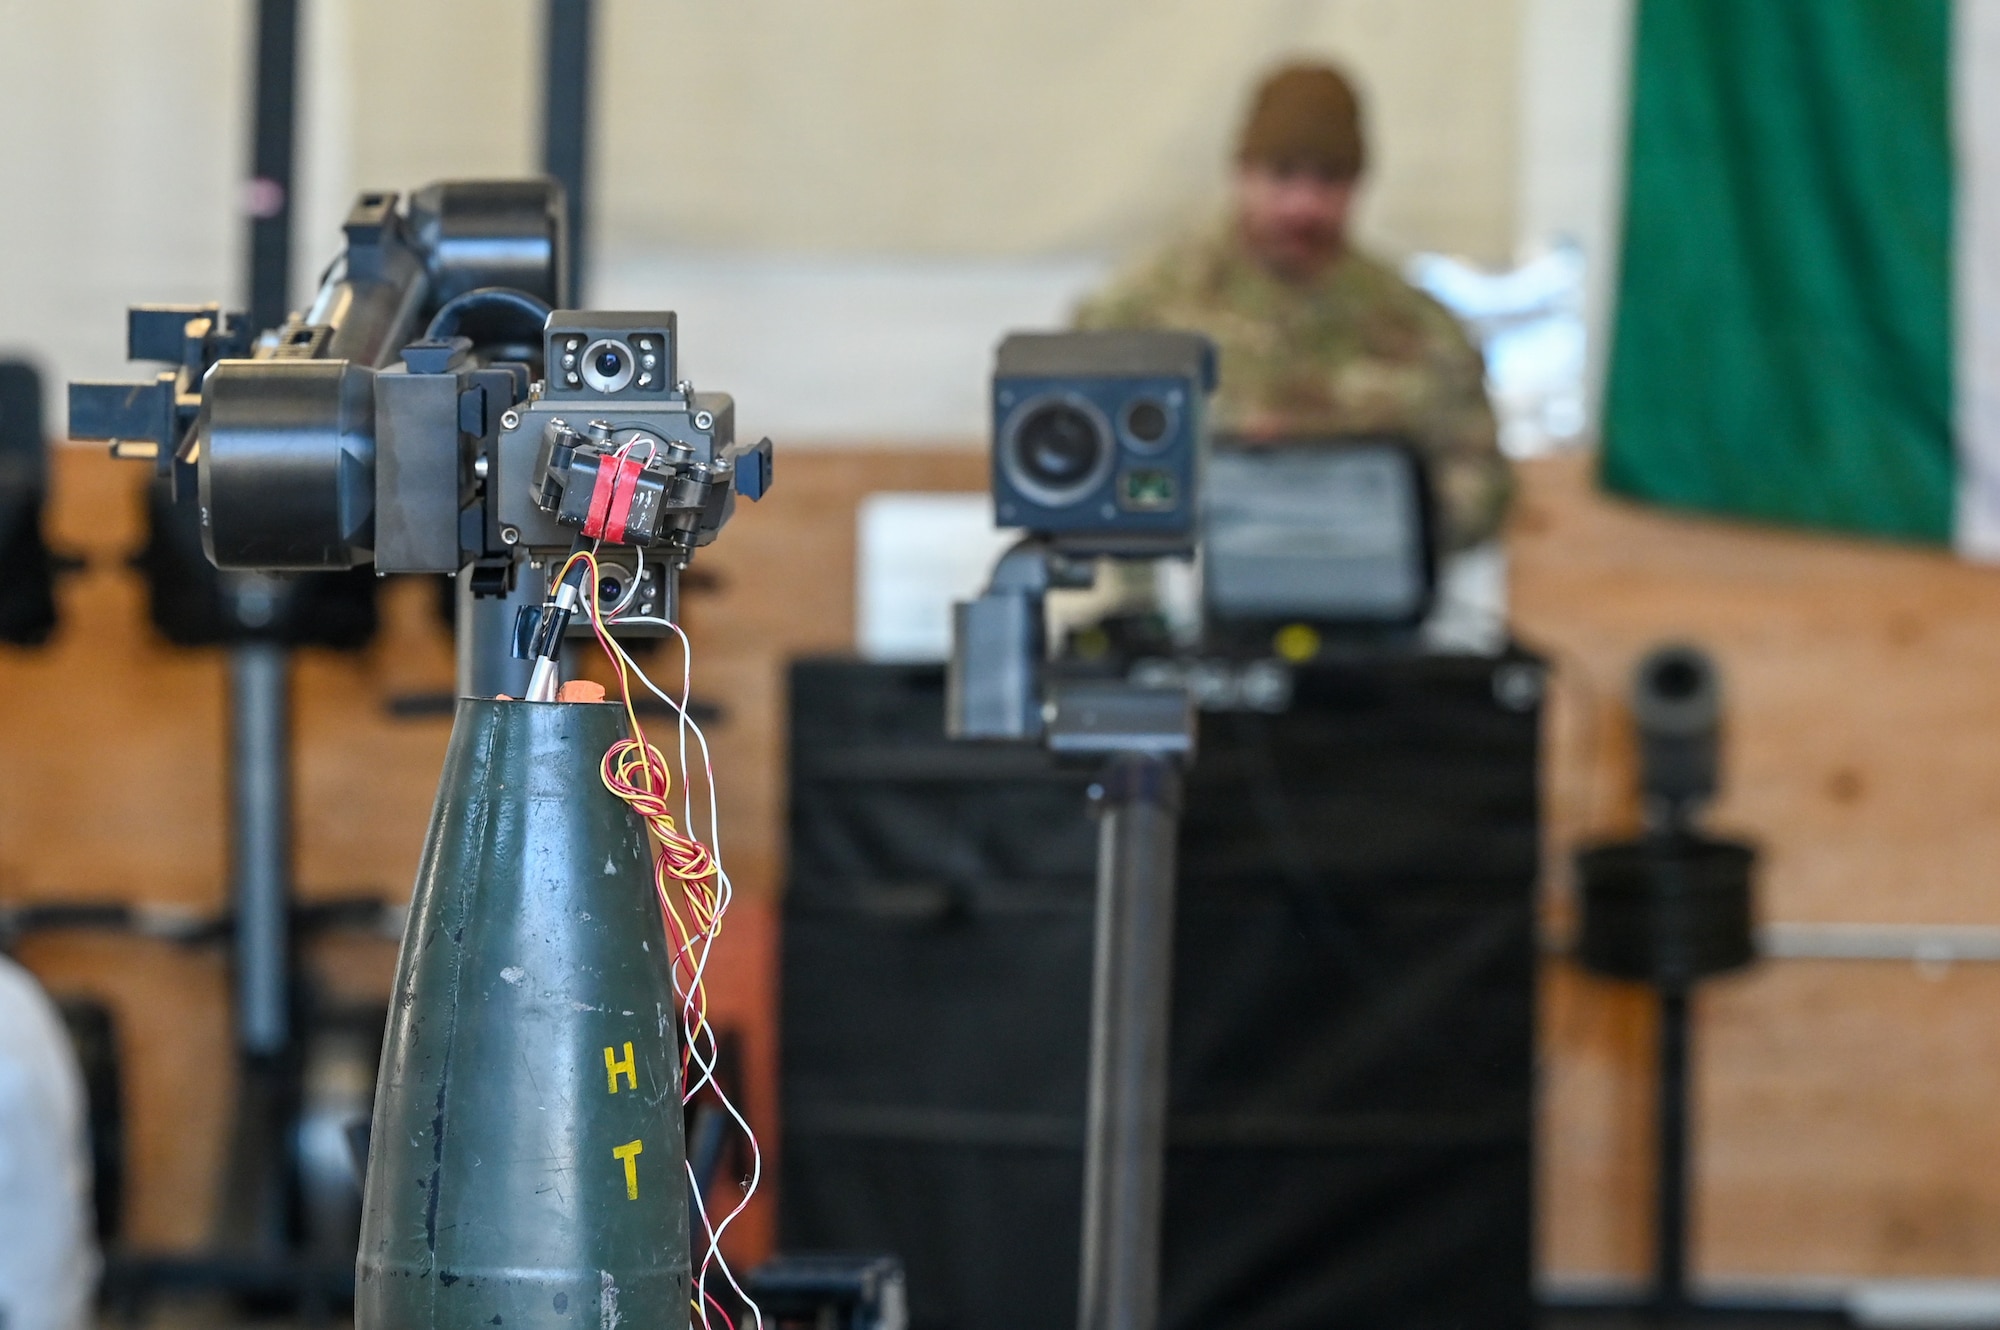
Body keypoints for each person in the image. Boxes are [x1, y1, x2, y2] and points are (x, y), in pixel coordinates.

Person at [1075, 61, 1511, 552]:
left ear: (1358, 185)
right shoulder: (1140, 311)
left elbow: (1481, 484)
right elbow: (1083, 466)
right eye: (1282, 176)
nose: (1303, 206)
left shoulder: (1419, 329)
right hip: (1178, 604)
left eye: (1329, 180)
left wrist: (1371, 511)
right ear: (1241, 173)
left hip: (1362, 604)